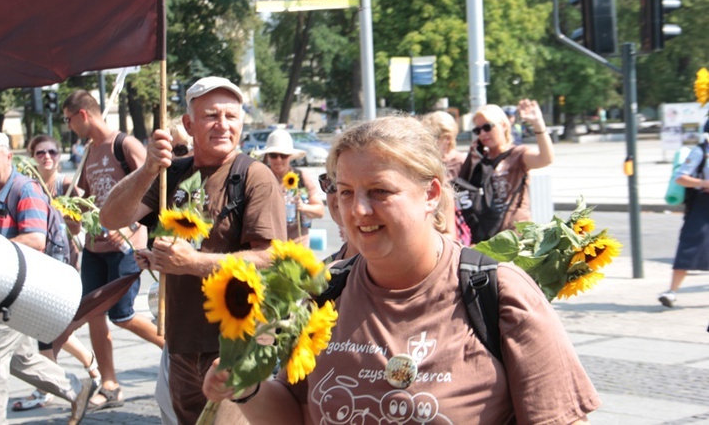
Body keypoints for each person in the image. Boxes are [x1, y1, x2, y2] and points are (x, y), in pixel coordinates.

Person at [201, 116, 600, 423]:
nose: (357, 210)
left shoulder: (500, 295)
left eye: (380, 191)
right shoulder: (325, 292)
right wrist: (246, 389)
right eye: (345, 192)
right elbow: (299, 411)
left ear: (430, 194)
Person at [98, 76, 287, 424]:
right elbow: (111, 217)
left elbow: (271, 260)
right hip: (181, 343)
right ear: (188, 124)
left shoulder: (254, 176)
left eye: (231, 116)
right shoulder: (173, 175)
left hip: (236, 346)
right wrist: (148, 169)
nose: (223, 125)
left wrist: (195, 263)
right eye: (211, 116)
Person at [0, 131, 94, 425]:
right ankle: (77, 388)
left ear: (9, 157)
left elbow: (35, 239)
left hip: (19, 292)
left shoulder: (25, 190)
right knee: (21, 360)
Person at [61, 90, 164, 411]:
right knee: (92, 313)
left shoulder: (125, 145)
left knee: (123, 315)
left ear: (83, 115)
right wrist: (72, 216)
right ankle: (110, 384)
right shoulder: (88, 153)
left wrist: (135, 233)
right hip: (95, 247)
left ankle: (180, 353)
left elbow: (154, 189)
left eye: (68, 120)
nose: (68, 127)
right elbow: (88, 202)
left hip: (124, 247)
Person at [11, 135, 102, 412]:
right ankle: (90, 365)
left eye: (52, 151)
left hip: (61, 264)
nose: (47, 156)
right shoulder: (29, 186)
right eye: (40, 152)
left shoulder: (67, 184)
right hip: (35, 262)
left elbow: (84, 222)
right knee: (50, 328)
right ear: (33, 156)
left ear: (59, 155)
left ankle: (46, 388)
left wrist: (69, 216)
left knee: (43, 328)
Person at [463, 100, 554, 236]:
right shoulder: (480, 159)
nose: (482, 134)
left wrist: (538, 125)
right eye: (477, 130)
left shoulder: (517, 154)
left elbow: (545, 159)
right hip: (488, 235)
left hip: (517, 234)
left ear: (504, 125)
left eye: (487, 127)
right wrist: (473, 161)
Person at [659, 120, 709, 308]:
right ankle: (672, 291)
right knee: (690, 246)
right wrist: (704, 183)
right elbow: (680, 177)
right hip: (703, 205)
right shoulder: (700, 152)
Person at [257, 129, 325, 246]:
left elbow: (320, 211)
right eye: (273, 155)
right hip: (268, 247)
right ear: (267, 157)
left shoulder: (301, 177)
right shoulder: (260, 178)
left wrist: (303, 207)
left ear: (290, 157)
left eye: (283, 155)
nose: (278, 160)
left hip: (297, 247)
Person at [421, 111, 468, 243]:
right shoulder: (424, 163)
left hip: (460, 229)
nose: (426, 142)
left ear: (447, 138)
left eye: (432, 137)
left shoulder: (465, 162)